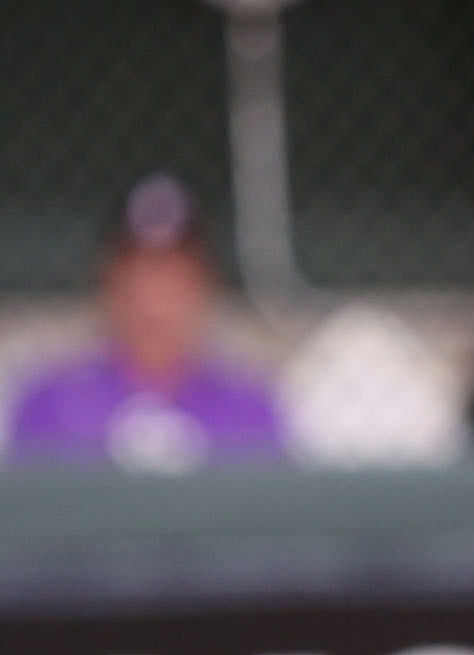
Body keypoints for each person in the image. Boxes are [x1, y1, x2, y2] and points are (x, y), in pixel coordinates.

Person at [6, 179, 285, 471]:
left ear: (205, 284)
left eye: (173, 277)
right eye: (139, 275)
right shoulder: (53, 404)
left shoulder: (249, 408)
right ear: (107, 281)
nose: (154, 298)